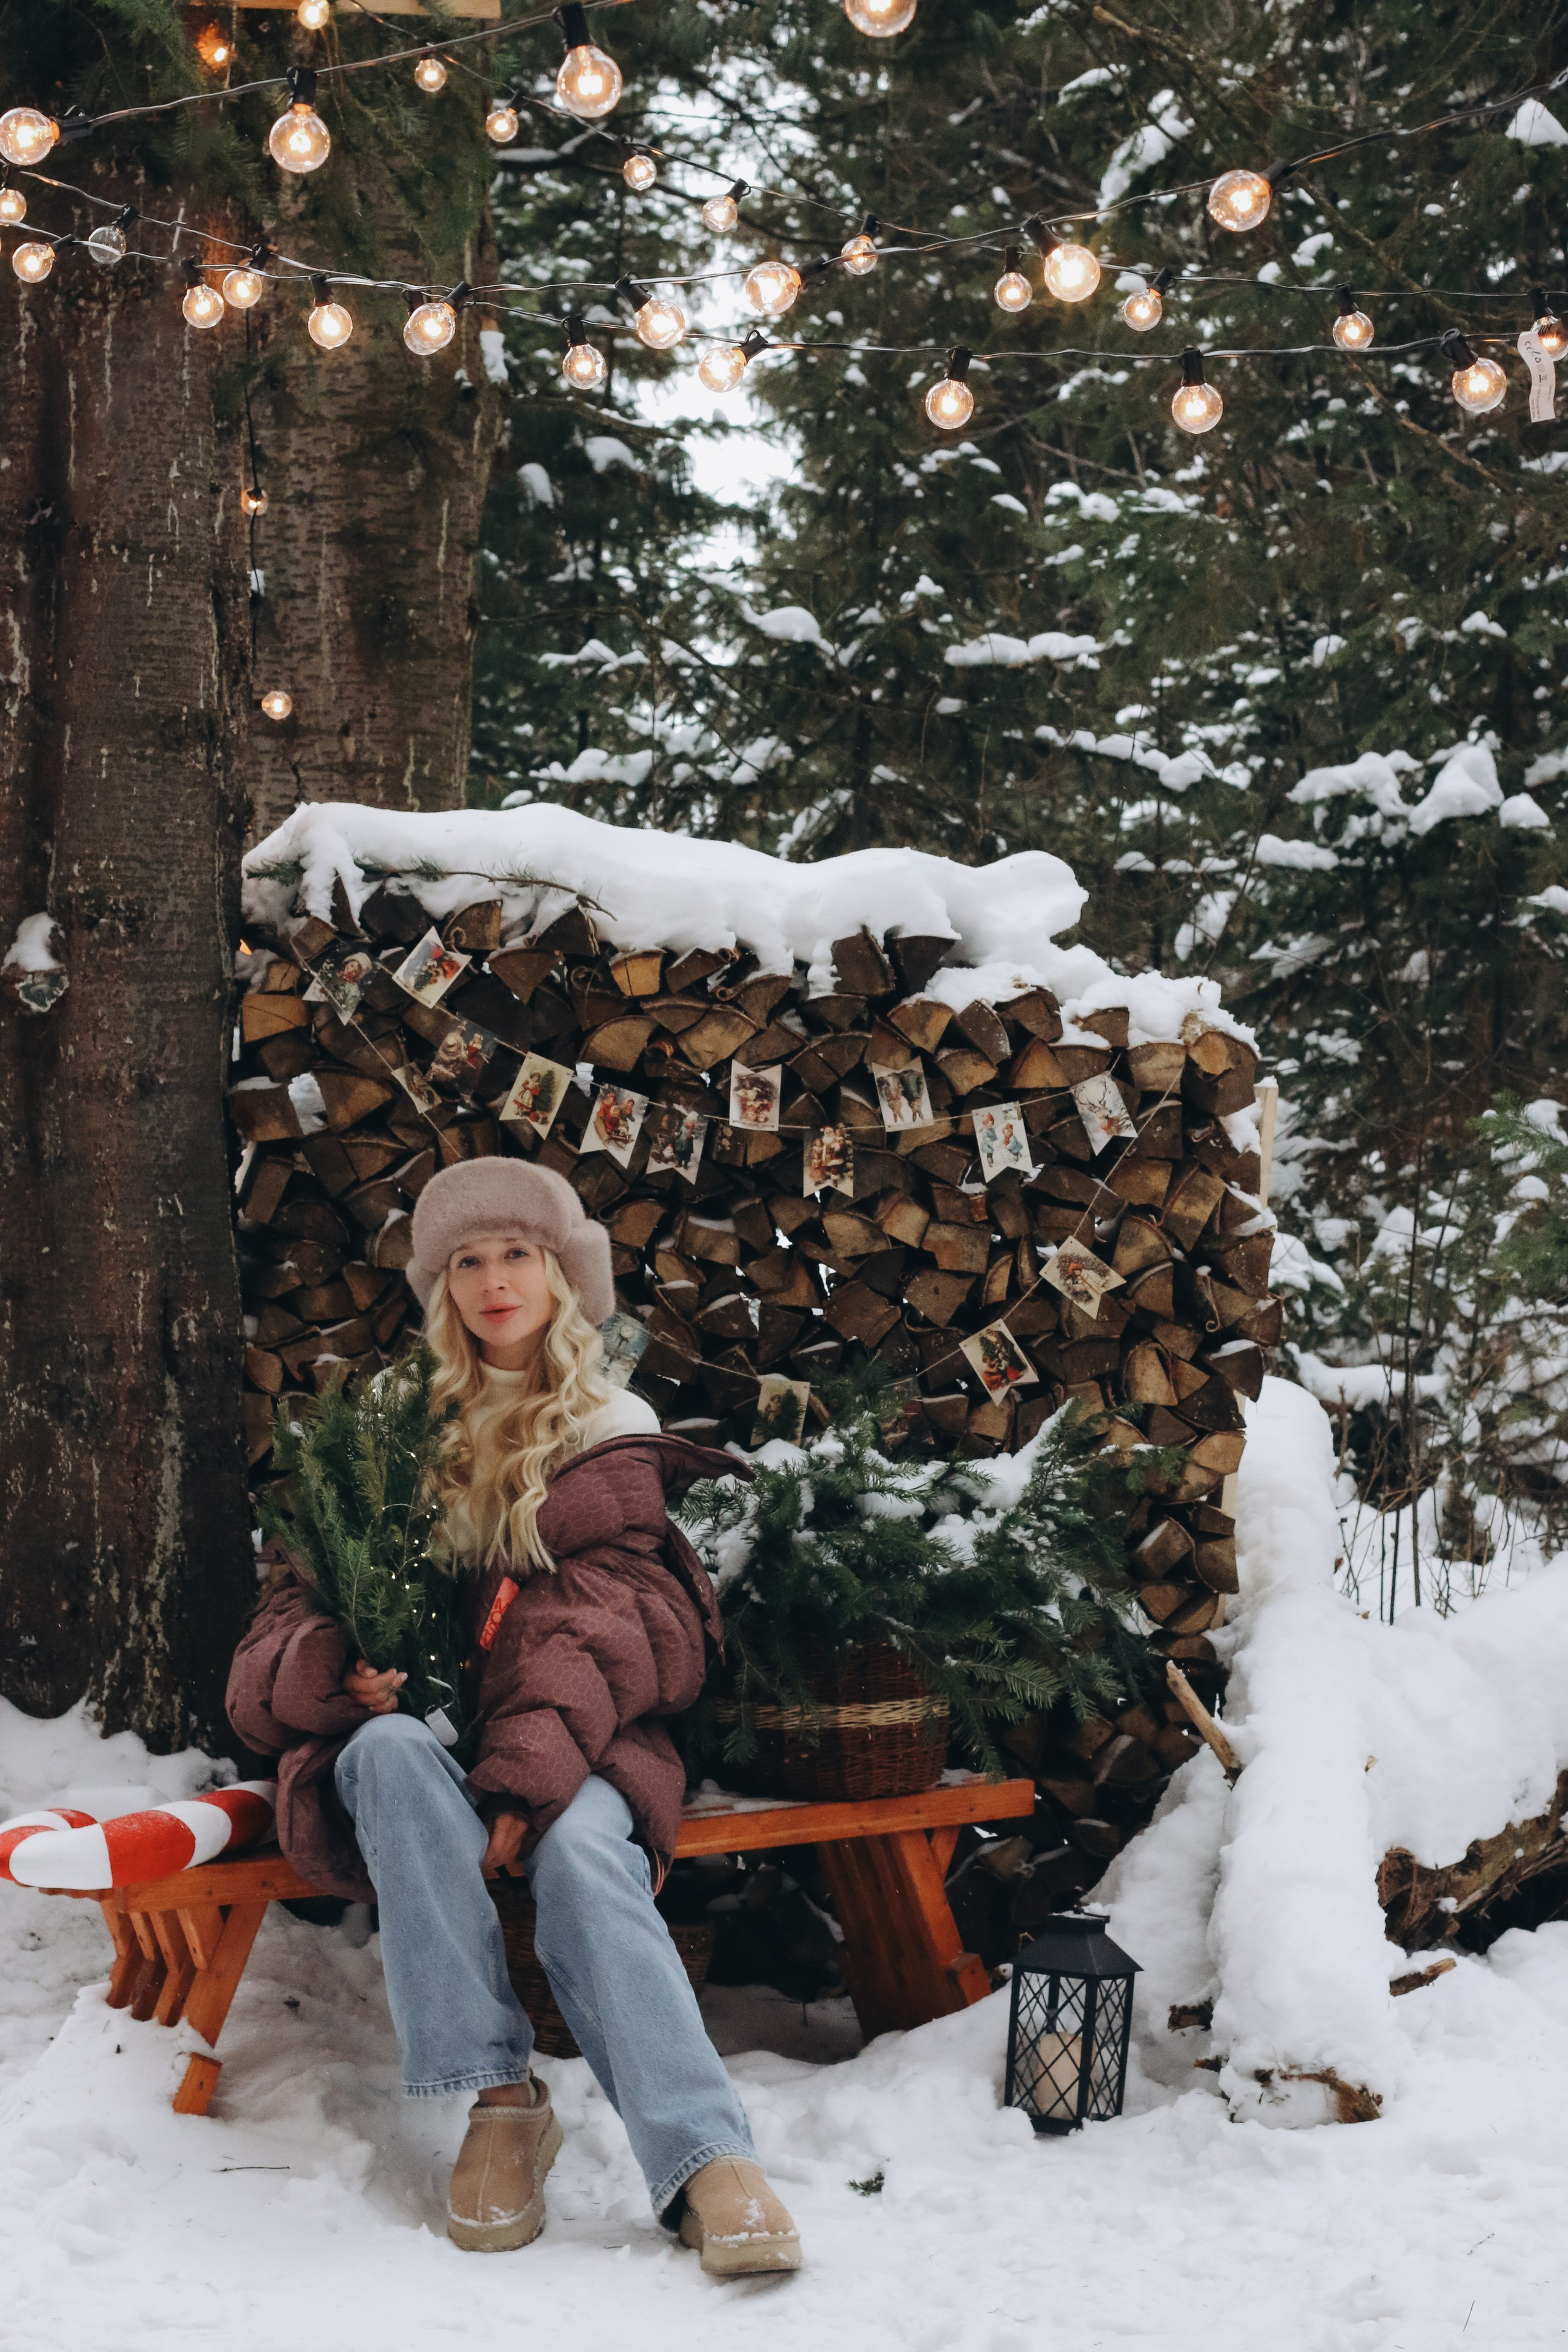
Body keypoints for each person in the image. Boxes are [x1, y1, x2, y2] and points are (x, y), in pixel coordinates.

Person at [227, 1159, 801, 2277]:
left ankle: (705, 2159)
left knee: (587, 1848)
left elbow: (618, 1627)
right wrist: (338, 1668)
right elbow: (286, 1618)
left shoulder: (608, 1428)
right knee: (387, 1751)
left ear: (561, 1273)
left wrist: (525, 1778)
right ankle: (501, 2099)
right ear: (442, 1288)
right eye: (469, 1261)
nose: (495, 1282)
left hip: (578, 1743)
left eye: (518, 1255)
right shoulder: (387, 1430)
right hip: (421, 1757)